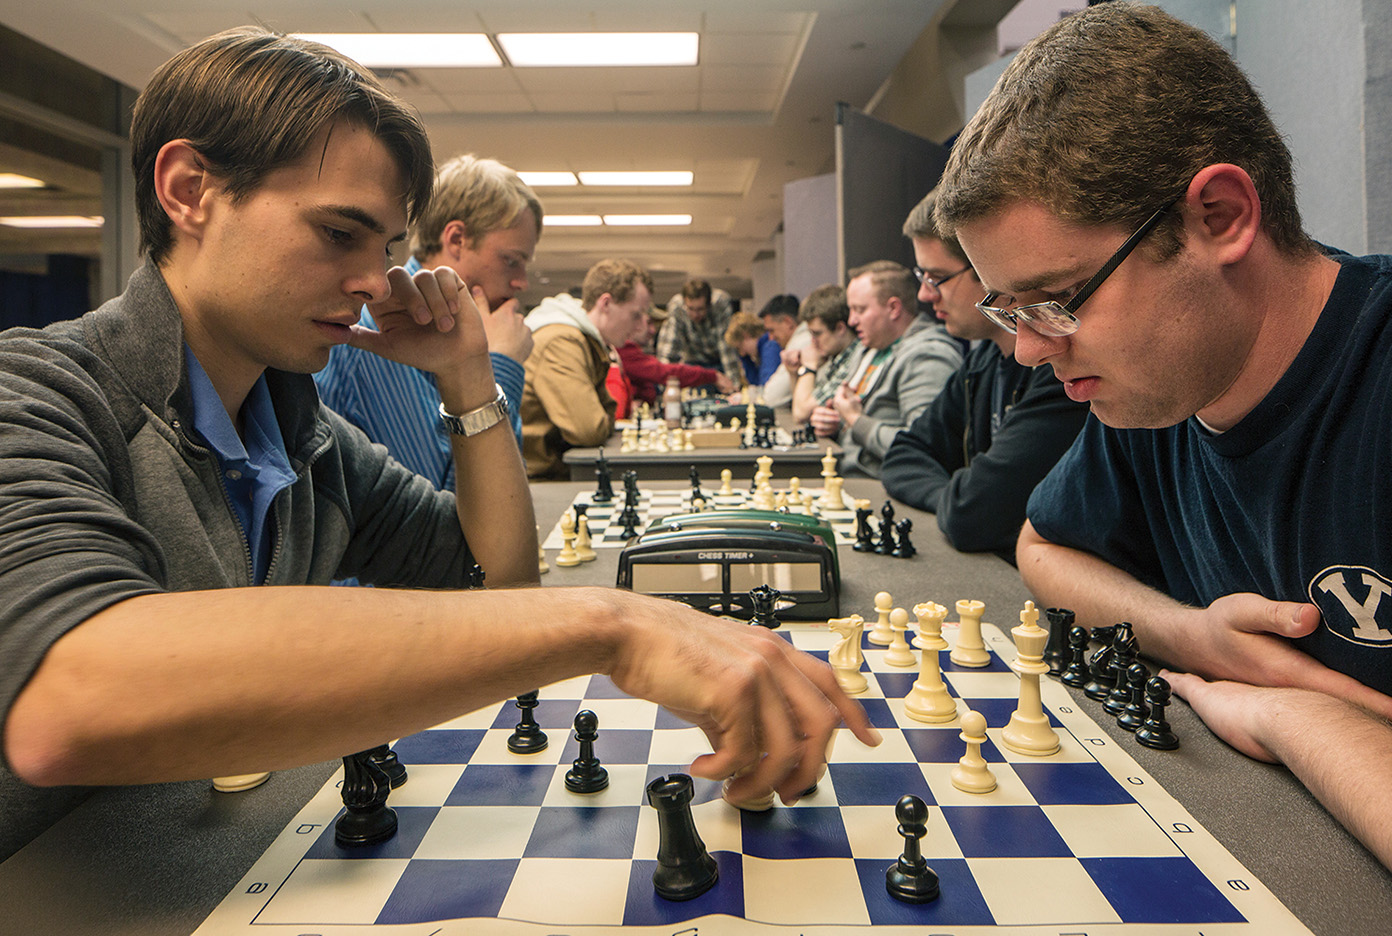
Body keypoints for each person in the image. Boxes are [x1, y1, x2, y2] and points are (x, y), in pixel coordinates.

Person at [0, 28, 876, 863]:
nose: (375, 283)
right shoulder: (33, 394)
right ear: (189, 190)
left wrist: (466, 380)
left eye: (385, 249)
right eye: (339, 234)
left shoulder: (308, 440)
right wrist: (615, 624)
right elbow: (67, 697)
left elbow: (496, 581)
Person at [932, 3, 1392, 881]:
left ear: (1220, 216)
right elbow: (1043, 546)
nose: (1031, 350)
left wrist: (1296, 717)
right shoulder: (1158, 395)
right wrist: (1196, 638)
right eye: (1011, 312)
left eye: (1057, 300)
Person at [881, 192, 1088, 564]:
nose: (925, 295)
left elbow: (973, 516)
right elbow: (902, 454)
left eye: (937, 277)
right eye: (922, 277)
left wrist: (961, 500)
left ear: (989, 271)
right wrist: (954, 495)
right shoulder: (984, 361)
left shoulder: (1063, 373)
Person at [315, 154, 539, 486]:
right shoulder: (378, 330)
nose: (522, 282)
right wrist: (499, 367)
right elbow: (451, 518)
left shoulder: (445, 327)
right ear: (456, 240)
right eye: (510, 260)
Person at [810, 260, 963, 476]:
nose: (852, 321)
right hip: (846, 475)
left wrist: (855, 420)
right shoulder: (868, 350)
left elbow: (924, 449)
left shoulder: (927, 357)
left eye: (860, 310)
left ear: (893, 308)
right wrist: (834, 424)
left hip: (882, 490)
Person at [520, 259, 653, 477]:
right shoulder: (562, 341)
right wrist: (602, 417)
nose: (639, 326)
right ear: (606, 303)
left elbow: (603, 416)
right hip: (538, 481)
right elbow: (589, 430)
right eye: (635, 315)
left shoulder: (585, 341)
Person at [611, 304, 735, 418]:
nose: (653, 330)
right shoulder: (623, 350)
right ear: (634, 321)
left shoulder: (632, 351)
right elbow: (663, 372)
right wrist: (711, 375)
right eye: (649, 323)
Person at [787, 284, 861, 426]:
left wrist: (809, 367)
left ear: (840, 328)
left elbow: (801, 413)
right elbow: (798, 404)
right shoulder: (836, 357)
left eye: (818, 334)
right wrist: (793, 373)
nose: (813, 342)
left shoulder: (853, 359)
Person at [656, 278, 744, 388]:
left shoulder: (720, 303)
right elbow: (668, 351)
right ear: (684, 302)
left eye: (700, 309)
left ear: (709, 304)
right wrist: (666, 387)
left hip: (718, 361)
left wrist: (734, 386)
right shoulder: (677, 307)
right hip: (693, 362)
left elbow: (726, 349)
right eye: (691, 309)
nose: (695, 314)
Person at [756, 293, 809, 408]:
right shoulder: (800, 340)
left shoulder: (800, 343)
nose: (771, 338)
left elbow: (772, 398)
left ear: (788, 322)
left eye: (772, 330)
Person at [723, 310, 781, 396]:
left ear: (746, 335)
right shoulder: (762, 350)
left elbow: (764, 388)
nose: (741, 353)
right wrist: (745, 359)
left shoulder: (770, 347)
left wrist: (744, 358)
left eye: (740, 347)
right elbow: (755, 382)